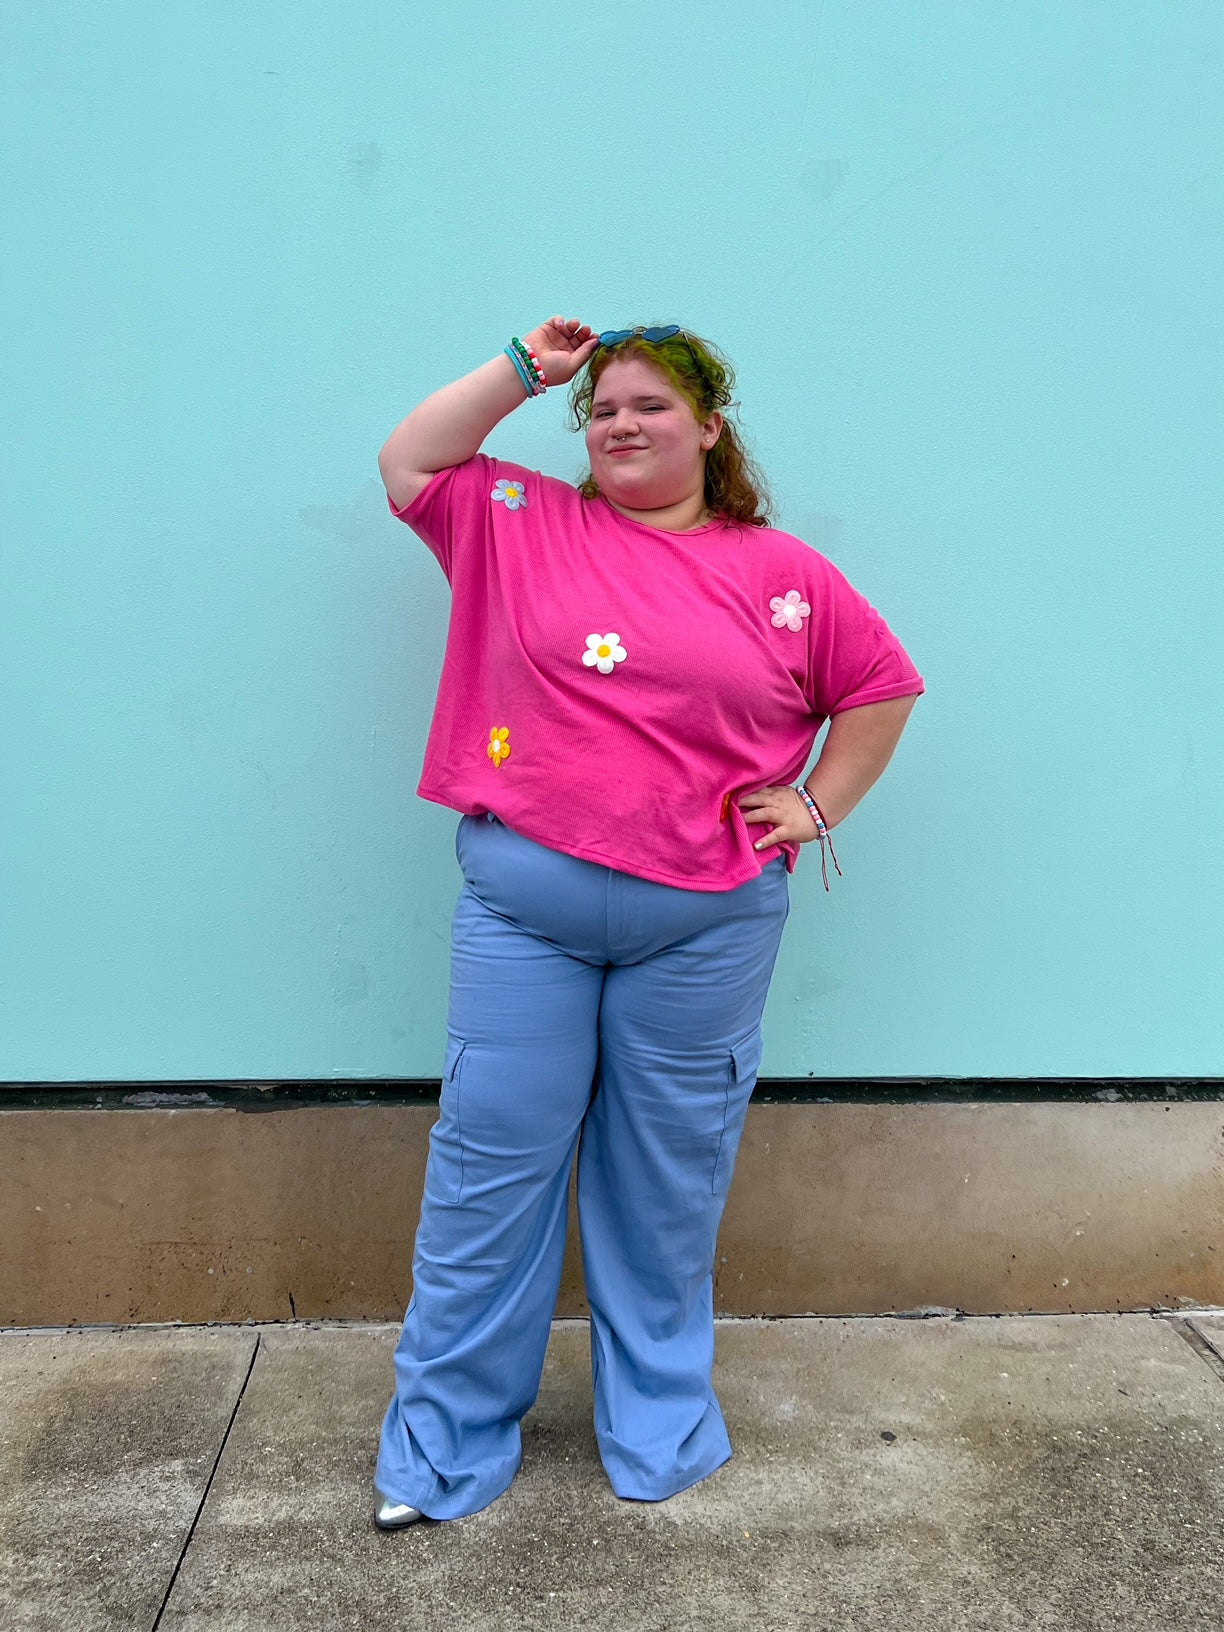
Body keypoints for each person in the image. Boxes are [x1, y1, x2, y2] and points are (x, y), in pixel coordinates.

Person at [371, 317, 924, 1529]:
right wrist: (525, 370)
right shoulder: (517, 523)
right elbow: (409, 461)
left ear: (709, 429)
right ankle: (442, 1446)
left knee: (666, 1181)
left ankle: (658, 1429)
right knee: (487, 1168)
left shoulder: (782, 574)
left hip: (707, 926)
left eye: (651, 405)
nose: (621, 423)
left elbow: (880, 687)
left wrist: (817, 805)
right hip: (526, 912)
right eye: (605, 410)